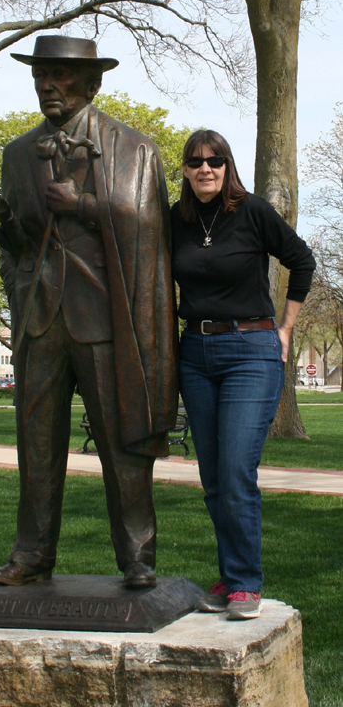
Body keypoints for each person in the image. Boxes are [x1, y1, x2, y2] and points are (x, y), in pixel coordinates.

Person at [0, 36, 178, 590]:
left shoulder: (134, 149)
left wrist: (84, 205)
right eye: (40, 74)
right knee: (36, 442)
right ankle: (32, 555)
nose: (47, 84)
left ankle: (137, 557)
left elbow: (147, 229)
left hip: (103, 318)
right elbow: (23, 240)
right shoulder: (19, 153)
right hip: (40, 317)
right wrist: (16, 244)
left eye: (59, 75)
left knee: (122, 443)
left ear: (92, 84)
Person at [171, 129, 315, 619]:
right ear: (185, 169)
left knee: (235, 471)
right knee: (213, 478)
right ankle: (231, 578)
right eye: (195, 162)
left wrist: (287, 327)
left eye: (214, 161)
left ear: (227, 166)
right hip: (194, 352)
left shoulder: (253, 212)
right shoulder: (176, 221)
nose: (205, 169)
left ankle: (246, 584)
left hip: (250, 351)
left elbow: (301, 260)